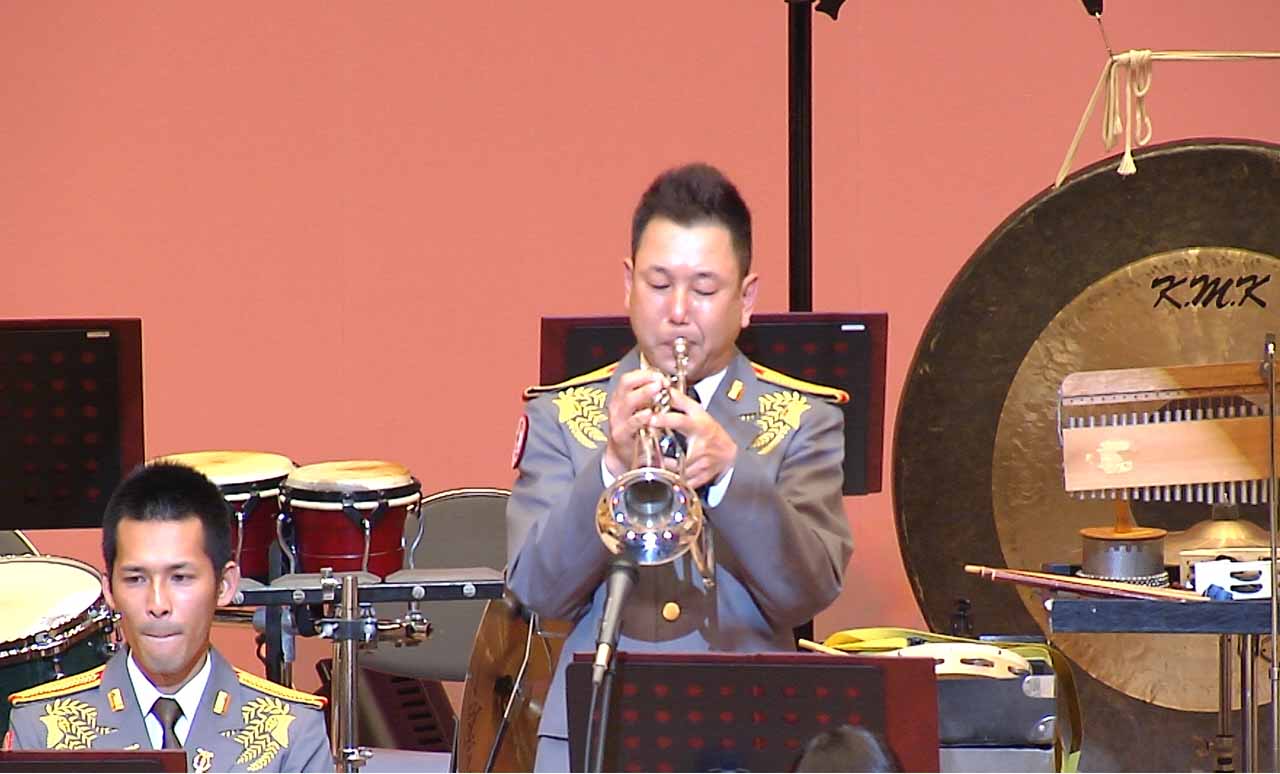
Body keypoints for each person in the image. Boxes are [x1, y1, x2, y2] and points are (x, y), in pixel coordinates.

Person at [506, 162, 853, 770]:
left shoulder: (803, 417)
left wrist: (731, 476)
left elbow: (806, 593)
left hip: (749, 734)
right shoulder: (563, 413)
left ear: (747, 299)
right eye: (659, 283)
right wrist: (609, 466)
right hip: (593, 731)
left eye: (705, 289)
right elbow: (536, 591)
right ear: (628, 285)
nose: (678, 311)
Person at [4, 463, 332, 772]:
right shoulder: (44, 728)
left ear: (224, 585)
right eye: (136, 579)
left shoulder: (291, 731)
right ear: (109, 590)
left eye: (180, 578)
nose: (158, 604)